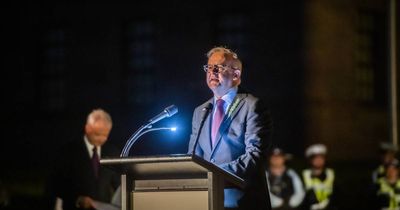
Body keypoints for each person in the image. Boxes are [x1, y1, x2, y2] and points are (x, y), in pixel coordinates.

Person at [187, 46, 273, 210]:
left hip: (242, 202)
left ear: (236, 75)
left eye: (218, 67)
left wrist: (215, 174)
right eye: (209, 67)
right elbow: (193, 158)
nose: (211, 71)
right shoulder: (200, 111)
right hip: (207, 202)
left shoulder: (252, 105)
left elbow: (255, 155)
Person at [46, 109, 120, 210]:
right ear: (88, 129)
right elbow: (56, 184)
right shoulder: (68, 152)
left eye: (106, 135)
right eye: (98, 134)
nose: (102, 139)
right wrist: (77, 199)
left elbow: (119, 183)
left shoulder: (112, 152)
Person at [301, 144, 336, 210]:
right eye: (315, 158)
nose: (319, 160)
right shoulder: (304, 175)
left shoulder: (331, 173)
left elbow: (337, 195)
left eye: (321, 158)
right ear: (310, 160)